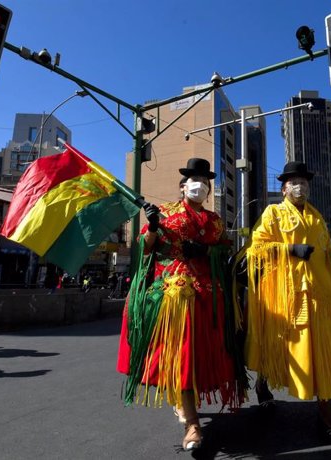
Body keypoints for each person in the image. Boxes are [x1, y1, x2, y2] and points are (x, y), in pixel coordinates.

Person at [117, 158, 246, 451]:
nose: (200, 185)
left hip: (210, 299)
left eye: (205, 181)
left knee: (199, 357)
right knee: (184, 355)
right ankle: (193, 425)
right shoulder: (165, 214)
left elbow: (225, 250)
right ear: (182, 186)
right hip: (176, 299)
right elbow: (147, 247)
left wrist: (206, 250)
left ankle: (184, 404)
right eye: (194, 179)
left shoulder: (215, 220)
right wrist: (151, 225)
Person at [245, 161, 331, 443]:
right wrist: (289, 249)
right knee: (278, 344)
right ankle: (263, 382)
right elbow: (257, 249)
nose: (300, 187)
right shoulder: (273, 212)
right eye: (294, 182)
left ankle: (325, 410)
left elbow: (324, 252)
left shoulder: (317, 217)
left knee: (321, 350)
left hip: (319, 293)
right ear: (284, 188)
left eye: (304, 182)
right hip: (284, 293)